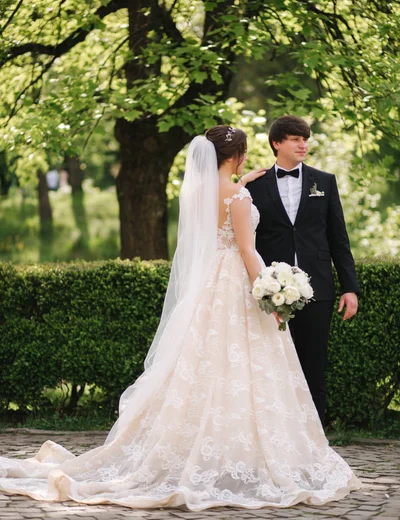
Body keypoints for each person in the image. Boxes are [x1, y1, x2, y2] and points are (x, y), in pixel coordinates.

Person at [0, 126, 361, 510]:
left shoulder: (201, 192)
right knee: (247, 369)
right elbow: (248, 252)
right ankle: (247, 454)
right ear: (235, 155)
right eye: (243, 153)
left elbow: (223, 215)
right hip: (236, 285)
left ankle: (199, 449)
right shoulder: (237, 195)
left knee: (204, 367)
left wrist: (246, 181)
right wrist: (271, 295)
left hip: (209, 288)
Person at [244, 115, 360, 426]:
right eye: (295, 139)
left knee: (313, 365)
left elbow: (339, 239)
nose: (303, 144)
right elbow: (244, 239)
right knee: (271, 366)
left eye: (305, 138)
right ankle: (276, 434)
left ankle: (315, 437)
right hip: (268, 293)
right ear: (276, 143)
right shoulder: (255, 185)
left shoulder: (324, 181)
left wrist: (350, 287)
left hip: (317, 289)